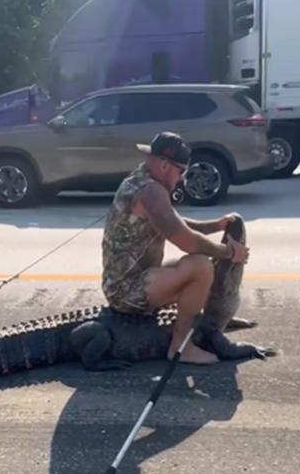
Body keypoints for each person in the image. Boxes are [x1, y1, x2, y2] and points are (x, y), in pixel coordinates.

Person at [101, 132, 250, 364]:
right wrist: (231, 253)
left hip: (128, 279)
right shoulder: (150, 191)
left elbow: (173, 222)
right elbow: (186, 241)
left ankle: (201, 323)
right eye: (181, 171)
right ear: (163, 164)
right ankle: (181, 348)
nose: (182, 178)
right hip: (126, 291)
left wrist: (215, 226)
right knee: (200, 266)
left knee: (197, 264)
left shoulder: (141, 180)